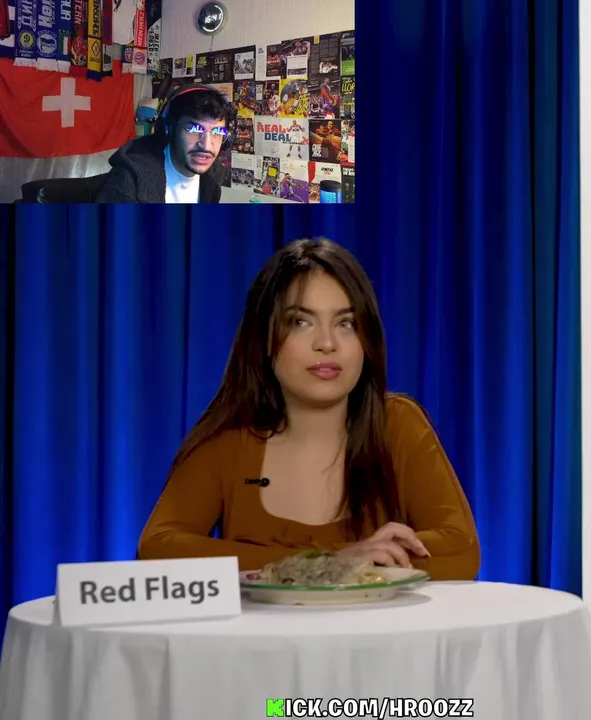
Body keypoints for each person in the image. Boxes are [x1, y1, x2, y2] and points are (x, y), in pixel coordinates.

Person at [138, 239, 482, 580]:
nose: (327, 344)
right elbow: (157, 549)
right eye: (300, 322)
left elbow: (460, 551)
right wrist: (327, 562)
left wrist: (340, 562)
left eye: (346, 323)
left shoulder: (398, 424)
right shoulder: (229, 441)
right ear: (265, 338)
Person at [97, 85, 235, 203]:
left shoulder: (213, 177)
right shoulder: (127, 180)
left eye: (217, 131)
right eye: (194, 129)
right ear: (169, 129)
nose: (206, 146)